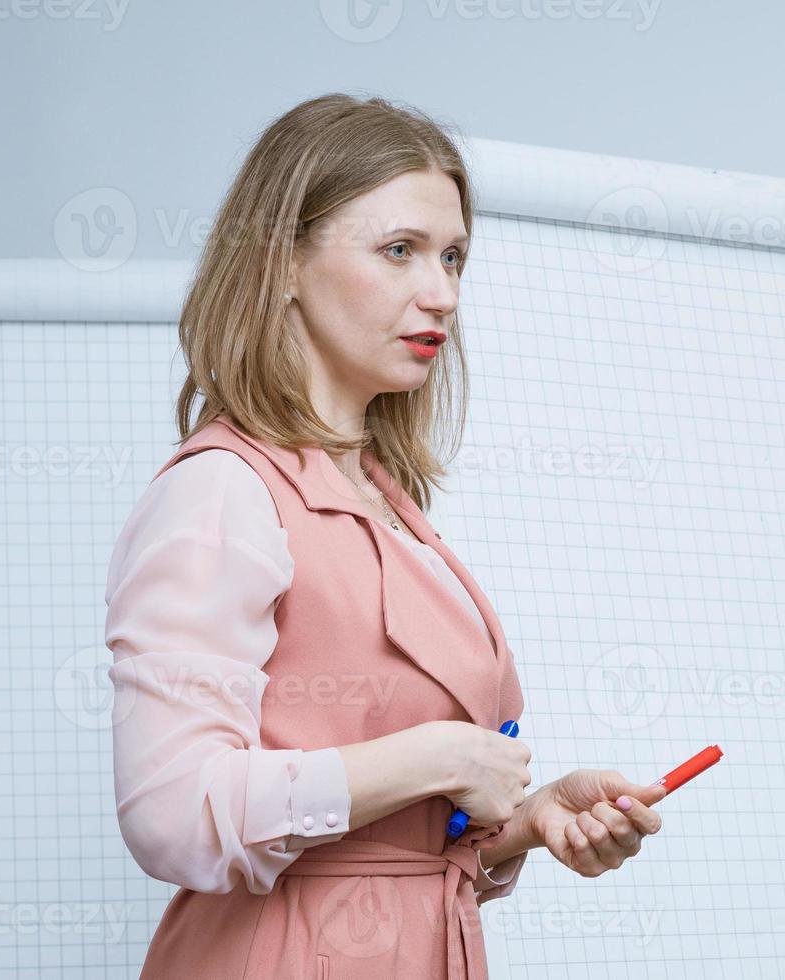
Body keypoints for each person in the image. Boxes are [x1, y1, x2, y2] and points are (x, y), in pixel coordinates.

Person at [103, 93, 666, 980]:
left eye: (453, 257)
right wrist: (435, 756)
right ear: (281, 261)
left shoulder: (386, 501)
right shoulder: (223, 491)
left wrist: (531, 822)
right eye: (398, 251)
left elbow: (387, 857)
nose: (439, 292)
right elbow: (173, 813)